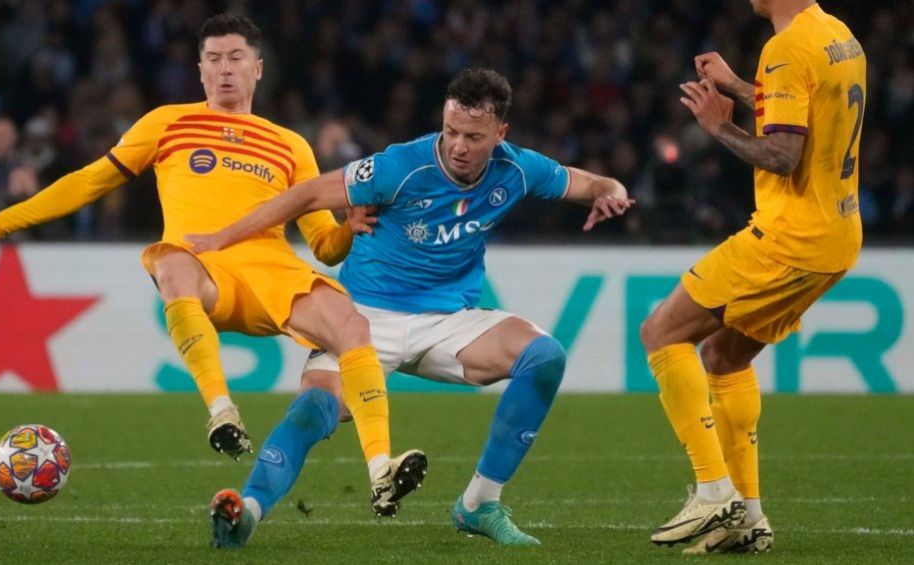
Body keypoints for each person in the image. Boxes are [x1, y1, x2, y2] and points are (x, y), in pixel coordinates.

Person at [0, 13, 425, 518]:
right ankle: (221, 410)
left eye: (236, 58)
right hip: (204, 268)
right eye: (214, 59)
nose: (225, 68)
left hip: (274, 275)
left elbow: (323, 245)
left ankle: (381, 470)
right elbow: (88, 181)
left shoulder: (290, 145)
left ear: (258, 68)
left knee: (352, 326)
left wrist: (348, 227)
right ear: (200, 70)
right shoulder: (168, 123)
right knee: (171, 264)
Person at [187, 67, 634, 548]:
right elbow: (308, 193)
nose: (458, 146)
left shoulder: (518, 169)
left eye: (473, 137)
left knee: (545, 357)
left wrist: (611, 191)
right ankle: (246, 514)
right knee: (315, 407)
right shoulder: (400, 167)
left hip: (448, 323)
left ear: (500, 134)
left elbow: (588, 182)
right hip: (362, 320)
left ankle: (479, 504)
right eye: (451, 131)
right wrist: (221, 239)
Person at [639, 0, 866, 553]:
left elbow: (784, 155)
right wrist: (740, 85)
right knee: (723, 357)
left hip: (789, 237)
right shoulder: (837, 34)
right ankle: (749, 519)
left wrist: (719, 126)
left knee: (662, 332)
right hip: (836, 236)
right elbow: (806, 108)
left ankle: (715, 493)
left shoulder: (785, 48)